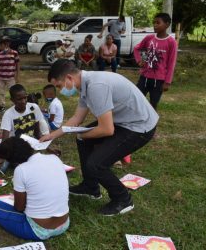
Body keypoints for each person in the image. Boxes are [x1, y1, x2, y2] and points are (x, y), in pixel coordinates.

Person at [40, 59, 158, 216]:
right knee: (83, 139)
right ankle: (91, 187)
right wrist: (51, 136)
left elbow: (107, 129)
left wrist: (82, 134)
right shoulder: (84, 83)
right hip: (123, 121)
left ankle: (123, 200)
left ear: (69, 78)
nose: (60, 90)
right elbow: (77, 118)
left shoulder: (96, 87)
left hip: (140, 126)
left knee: (95, 164)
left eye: (59, 86)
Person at [0, 137, 70, 240]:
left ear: (12, 160)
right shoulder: (54, 158)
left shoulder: (21, 170)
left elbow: (19, 208)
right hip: (64, 224)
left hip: (38, 230)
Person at [134, 13, 177, 110]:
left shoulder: (171, 42)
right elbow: (137, 48)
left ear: (167, 24)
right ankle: (137, 122)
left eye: (158, 23)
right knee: (137, 100)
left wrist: (167, 82)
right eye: (154, 23)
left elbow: (171, 63)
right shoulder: (149, 38)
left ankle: (151, 124)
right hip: (144, 77)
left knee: (153, 104)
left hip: (159, 81)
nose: (155, 25)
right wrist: (140, 60)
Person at [0, 36, 20, 114]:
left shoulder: (14, 53)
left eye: (0, 45)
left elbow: (17, 65)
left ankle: (14, 106)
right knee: (1, 92)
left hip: (11, 78)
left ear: (6, 44)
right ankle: (2, 106)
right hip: (1, 77)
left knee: (13, 92)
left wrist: (17, 76)